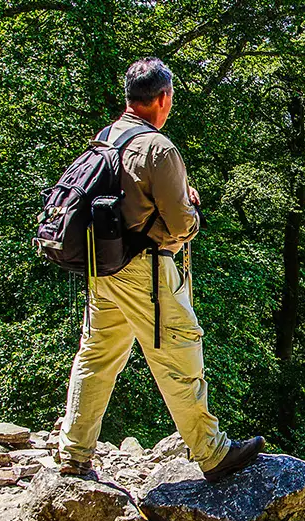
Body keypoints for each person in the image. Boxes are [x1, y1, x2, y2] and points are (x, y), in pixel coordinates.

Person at [57, 57, 264, 483]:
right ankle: (212, 452)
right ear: (163, 99)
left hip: (104, 266)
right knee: (180, 352)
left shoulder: (106, 137)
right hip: (145, 273)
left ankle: (74, 453)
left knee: (96, 357)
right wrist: (191, 205)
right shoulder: (159, 148)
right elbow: (181, 224)